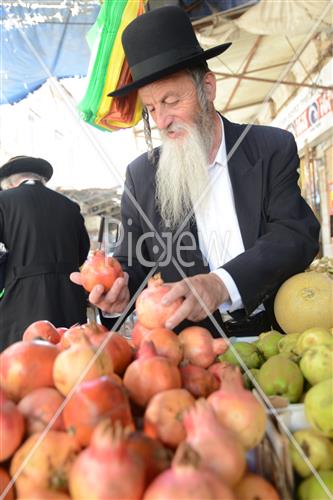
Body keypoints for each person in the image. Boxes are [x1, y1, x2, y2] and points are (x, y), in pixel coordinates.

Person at [71, 6, 320, 337]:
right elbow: (134, 265)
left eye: (172, 101)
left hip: (277, 338)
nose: (162, 120)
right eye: (152, 109)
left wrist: (221, 284)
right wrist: (119, 293)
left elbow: (295, 235)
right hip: (191, 352)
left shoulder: (270, 147)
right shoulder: (142, 176)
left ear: (208, 88)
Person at [0, 156, 90, 350]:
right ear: (41, 179)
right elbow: (82, 253)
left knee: (24, 366)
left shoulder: (3, 201)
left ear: (9, 184)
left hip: (21, 302)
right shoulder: (69, 206)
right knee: (71, 363)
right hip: (68, 299)